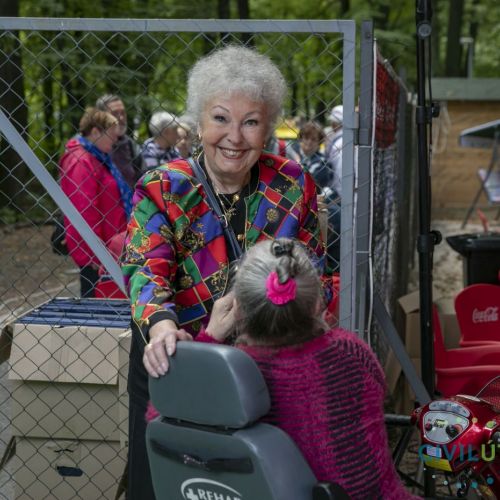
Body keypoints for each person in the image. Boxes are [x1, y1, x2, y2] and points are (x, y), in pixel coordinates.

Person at [122, 44, 333, 500]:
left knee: (257, 482)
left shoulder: (293, 184)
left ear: (268, 127)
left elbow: (315, 272)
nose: (234, 136)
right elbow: (145, 266)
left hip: (270, 366)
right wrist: (160, 325)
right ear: (198, 123)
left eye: (251, 121)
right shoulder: (163, 186)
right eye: (220, 118)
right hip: (178, 359)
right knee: (166, 482)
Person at [146, 238, 417, 500]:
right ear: (316, 303)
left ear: (237, 310)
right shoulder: (351, 352)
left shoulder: (226, 377)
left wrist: (209, 339)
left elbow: (161, 421)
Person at [59, 107, 132, 297]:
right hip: (97, 257)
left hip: (109, 251)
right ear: (95, 132)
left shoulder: (98, 158)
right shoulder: (81, 161)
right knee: (99, 307)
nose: (115, 140)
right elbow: (83, 211)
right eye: (111, 135)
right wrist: (93, 254)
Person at [96, 94, 145, 188]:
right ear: (101, 116)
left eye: (123, 113)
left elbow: (143, 180)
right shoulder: (90, 146)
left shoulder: (131, 145)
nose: (121, 118)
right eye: (114, 114)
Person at [325, 104, 343, 198]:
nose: (332, 124)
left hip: (338, 190)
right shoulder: (338, 139)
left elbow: (340, 170)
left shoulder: (339, 142)